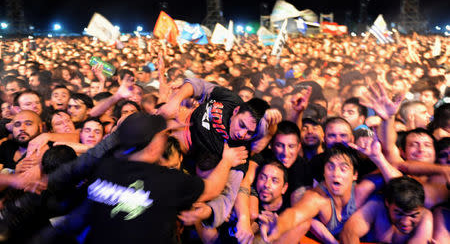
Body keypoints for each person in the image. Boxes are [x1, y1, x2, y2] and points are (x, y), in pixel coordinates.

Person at [31, 112, 248, 244]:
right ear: (153, 145)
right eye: (163, 136)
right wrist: (227, 160)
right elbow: (212, 188)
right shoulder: (168, 181)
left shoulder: (105, 168)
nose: (165, 140)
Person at [258, 139, 402, 244]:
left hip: (374, 239)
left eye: (343, 168)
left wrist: (379, 159)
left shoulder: (362, 190)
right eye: (330, 167)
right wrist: (279, 226)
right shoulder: (317, 197)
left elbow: (403, 186)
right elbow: (295, 214)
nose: (336, 174)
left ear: (355, 175)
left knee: (379, 204)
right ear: (324, 173)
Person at [340, 176, 433, 244]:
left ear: (422, 207)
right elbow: (348, 232)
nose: (405, 222)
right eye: (399, 213)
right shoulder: (376, 205)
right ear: (387, 203)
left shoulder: (425, 218)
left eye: (413, 215)